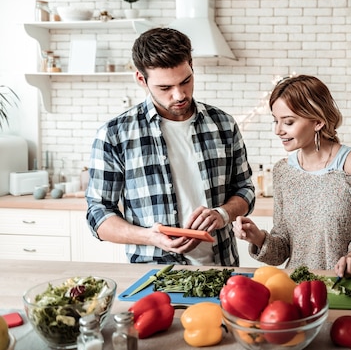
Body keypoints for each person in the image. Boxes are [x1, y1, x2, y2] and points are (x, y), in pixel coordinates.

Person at [86, 27, 255, 265]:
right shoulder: (115, 135)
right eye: (165, 88)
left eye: (185, 81)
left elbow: (245, 190)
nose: (179, 95)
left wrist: (223, 214)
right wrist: (149, 237)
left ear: (192, 65)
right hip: (152, 276)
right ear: (141, 80)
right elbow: (98, 213)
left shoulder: (223, 125)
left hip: (221, 270)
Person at [233, 75, 351, 278]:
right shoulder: (283, 172)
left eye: (288, 122)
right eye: (276, 121)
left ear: (318, 122)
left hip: (348, 289)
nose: (278, 130)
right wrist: (258, 238)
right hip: (298, 291)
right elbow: (283, 247)